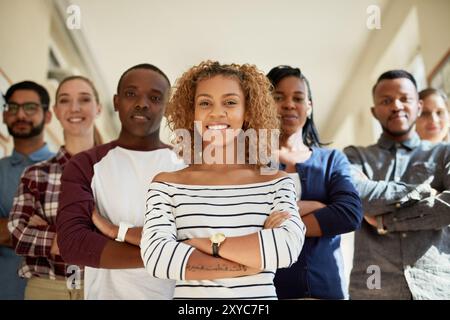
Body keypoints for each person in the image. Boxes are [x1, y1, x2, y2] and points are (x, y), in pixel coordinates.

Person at [139, 61, 306, 300]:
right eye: (205, 103)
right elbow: (158, 258)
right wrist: (251, 262)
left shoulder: (277, 182)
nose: (217, 112)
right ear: (192, 112)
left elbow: (286, 248)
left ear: (247, 111)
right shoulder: (166, 184)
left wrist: (203, 244)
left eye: (230, 102)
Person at [56, 64, 184, 300]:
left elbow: (197, 237)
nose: (142, 103)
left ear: (168, 107)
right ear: (116, 102)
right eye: (131, 94)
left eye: (155, 97)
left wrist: (114, 233)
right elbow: (73, 243)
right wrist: (169, 254)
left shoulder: (187, 166)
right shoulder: (85, 164)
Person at [344, 70, 450, 299]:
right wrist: (423, 192)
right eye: (386, 100)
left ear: (418, 106)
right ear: (374, 111)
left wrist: (385, 220)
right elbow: (356, 194)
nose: (396, 106)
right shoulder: (355, 156)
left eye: (405, 99)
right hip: (373, 288)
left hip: (436, 287)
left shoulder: (443, 154)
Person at [266, 65, 362, 299]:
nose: (289, 104)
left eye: (298, 98)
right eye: (278, 97)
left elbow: (349, 214)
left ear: (309, 107)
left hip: (325, 289)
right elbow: (245, 219)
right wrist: (319, 207)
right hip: (267, 290)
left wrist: (284, 218)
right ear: (265, 104)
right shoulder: (247, 162)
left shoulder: (331, 159)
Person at [7, 76, 102, 299]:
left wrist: (50, 234)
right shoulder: (36, 174)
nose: (74, 108)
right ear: (56, 111)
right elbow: (18, 233)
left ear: (98, 108)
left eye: (84, 99)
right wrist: (93, 234)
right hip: (46, 289)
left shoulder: (116, 171)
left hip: (102, 287)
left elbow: (126, 234)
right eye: (65, 100)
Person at [0, 81, 54, 300]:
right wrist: (44, 232)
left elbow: (75, 237)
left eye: (30, 107)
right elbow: (55, 237)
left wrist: (9, 225)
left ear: (47, 116)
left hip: (53, 292)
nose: (20, 114)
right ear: (4, 116)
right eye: (12, 108)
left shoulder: (70, 168)